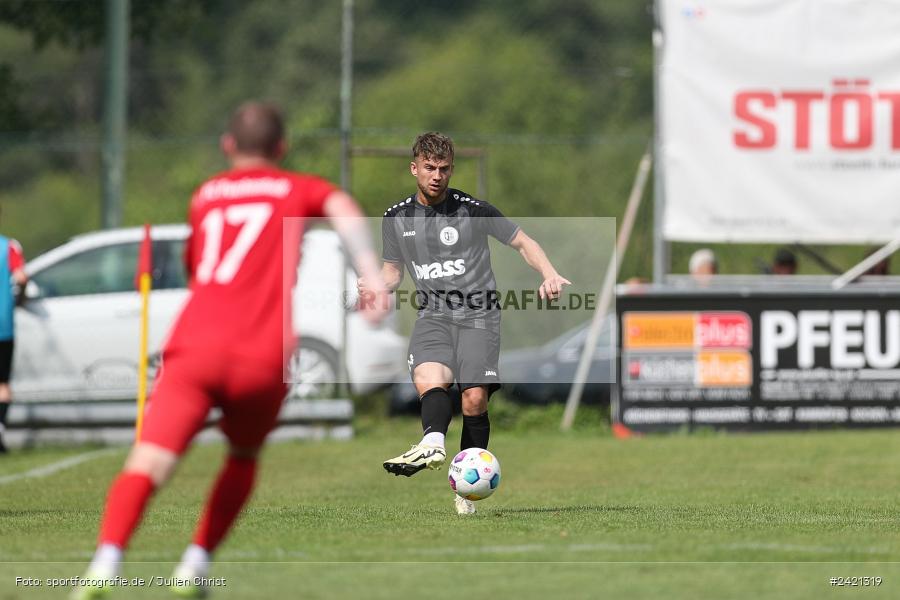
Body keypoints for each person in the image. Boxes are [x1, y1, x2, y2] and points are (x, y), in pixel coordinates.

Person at [74, 102, 388, 599]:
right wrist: (371, 275)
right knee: (242, 456)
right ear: (281, 148)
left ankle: (105, 564)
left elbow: (198, 263)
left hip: (195, 345)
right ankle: (194, 566)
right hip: (260, 355)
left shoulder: (205, 196)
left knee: (149, 461)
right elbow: (342, 207)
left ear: (228, 146)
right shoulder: (295, 186)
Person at [361, 132, 569, 515]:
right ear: (414, 169)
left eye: (443, 169)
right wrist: (376, 285)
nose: (437, 176)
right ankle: (434, 442)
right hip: (433, 316)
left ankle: (466, 489)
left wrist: (549, 272)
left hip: (479, 316)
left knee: (473, 400)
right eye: (429, 168)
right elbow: (393, 273)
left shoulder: (474, 211)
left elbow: (523, 242)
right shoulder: (396, 218)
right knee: (429, 377)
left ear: (451, 169)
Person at [0, 210, 26, 454]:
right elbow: (21, 277)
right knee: (3, 384)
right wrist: (22, 296)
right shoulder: (9, 246)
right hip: (3, 324)